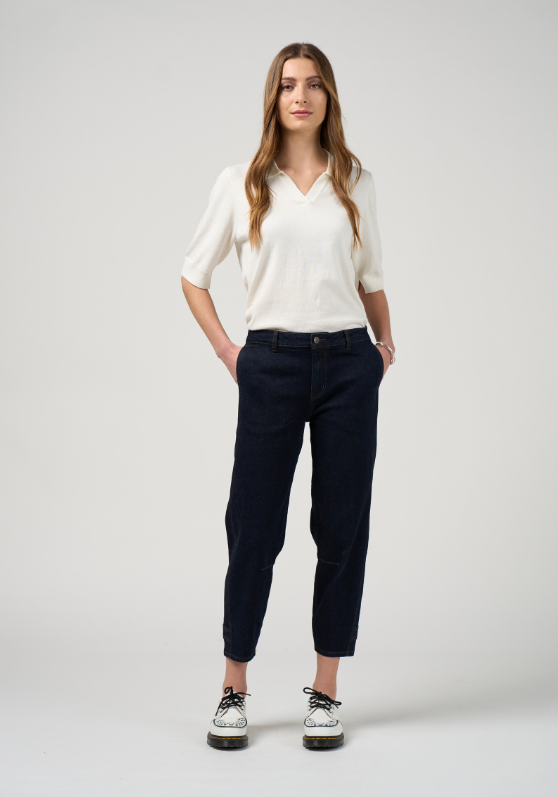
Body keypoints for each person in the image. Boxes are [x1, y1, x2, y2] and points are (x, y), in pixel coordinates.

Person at [180, 42, 395, 750]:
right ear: (273, 98)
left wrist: (384, 347)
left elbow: (370, 277)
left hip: (347, 363)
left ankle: (325, 691)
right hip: (269, 362)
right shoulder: (243, 182)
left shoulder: (355, 181)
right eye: (287, 85)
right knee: (254, 525)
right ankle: (233, 687)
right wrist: (229, 351)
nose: (300, 96)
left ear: (329, 97)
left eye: (313, 84)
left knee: (342, 526)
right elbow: (193, 275)